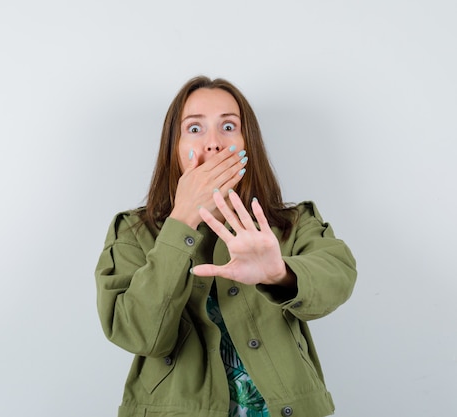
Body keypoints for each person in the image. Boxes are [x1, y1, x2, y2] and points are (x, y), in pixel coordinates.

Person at [95, 76, 356, 417]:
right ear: (173, 147)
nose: (214, 143)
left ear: (249, 143)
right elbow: (139, 335)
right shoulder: (133, 231)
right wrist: (182, 220)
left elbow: (337, 277)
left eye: (229, 126)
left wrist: (280, 273)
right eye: (194, 129)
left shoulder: (292, 222)